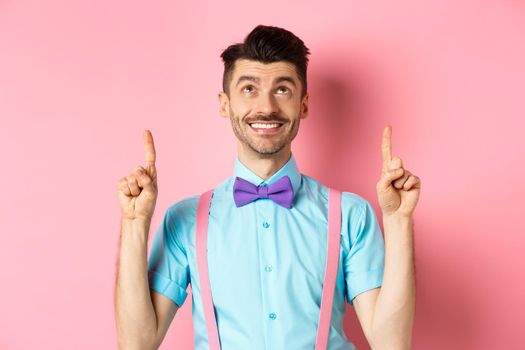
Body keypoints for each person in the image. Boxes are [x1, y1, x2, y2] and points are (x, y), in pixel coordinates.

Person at [114, 24, 420, 350]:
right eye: (249, 89)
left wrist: (399, 221)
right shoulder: (184, 219)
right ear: (224, 103)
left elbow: (391, 343)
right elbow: (137, 343)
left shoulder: (351, 214)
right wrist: (134, 224)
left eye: (283, 89)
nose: (267, 107)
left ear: (303, 105)